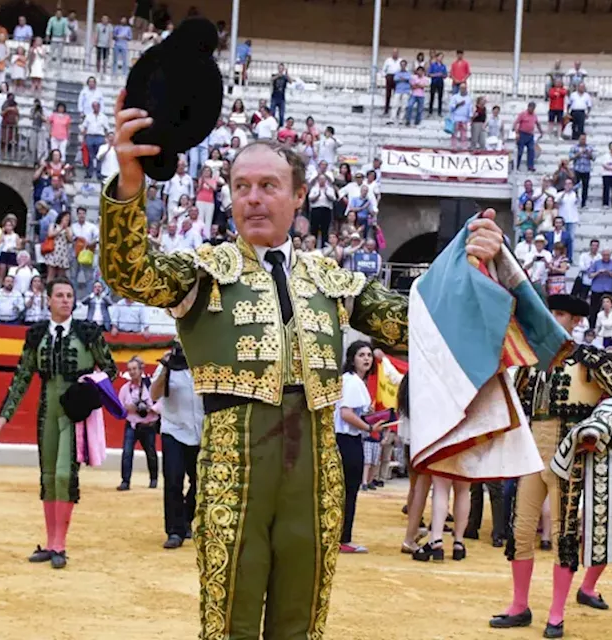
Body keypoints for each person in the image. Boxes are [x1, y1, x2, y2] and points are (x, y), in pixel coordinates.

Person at [100, 92, 504, 639]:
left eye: (268, 186)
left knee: (302, 619)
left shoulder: (330, 277)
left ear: (298, 197)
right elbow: (129, 272)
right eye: (241, 187)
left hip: (316, 469)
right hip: (232, 461)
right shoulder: (202, 271)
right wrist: (128, 182)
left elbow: (417, 323)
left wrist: (470, 266)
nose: (253, 199)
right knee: (229, 620)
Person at [493, 306, 612, 638]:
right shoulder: (530, 362)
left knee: (563, 536)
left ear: (574, 321)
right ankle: (519, 607)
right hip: (532, 457)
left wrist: (602, 433)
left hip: (569, 458)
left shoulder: (589, 359)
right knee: (521, 531)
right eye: (549, 314)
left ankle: (556, 614)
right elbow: (514, 401)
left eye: (559, 315)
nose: (551, 321)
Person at [0, 276, 118, 570]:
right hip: (46, 410)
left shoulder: (88, 333)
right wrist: (4, 414)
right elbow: (22, 376)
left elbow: (110, 370)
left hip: (73, 414)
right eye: (59, 295)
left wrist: (89, 392)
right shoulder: (36, 335)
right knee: (48, 477)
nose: (65, 300)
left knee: (64, 476)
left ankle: (60, 544)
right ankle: (49, 544)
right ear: (48, 300)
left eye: (70, 296)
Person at [150, 342, 203, 549]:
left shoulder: (204, 363)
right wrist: (166, 368)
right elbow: (154, 394)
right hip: (174, 430)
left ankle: (186, 519)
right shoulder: (169, 366)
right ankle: (174, 531)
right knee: (173, 480)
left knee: (199, 481)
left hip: (200, 431)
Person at [334, 340, 383, 554]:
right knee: (348, 490)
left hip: (349, 439)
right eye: (361, 355)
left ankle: (342, 535)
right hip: (347, 440)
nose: (366, 359)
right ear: (352, 359)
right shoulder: (352, 382)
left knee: (348, 489)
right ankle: (343, 537)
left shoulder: (355, 382)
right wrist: (369, 426)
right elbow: (346, 414)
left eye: (369, 355)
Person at [117, 355, 159, 491]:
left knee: (151, 453)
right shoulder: (125, 389)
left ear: (141, 370)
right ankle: (125, 481)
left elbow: (159, 405)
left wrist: (147, 409)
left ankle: (153, 479)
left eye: (134, 368)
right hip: (132, 424)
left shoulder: (151, 386)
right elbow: (120, 408)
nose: (132, 372)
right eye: (129, 369)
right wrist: (128, 409)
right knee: (127, 453)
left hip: (148, 425)